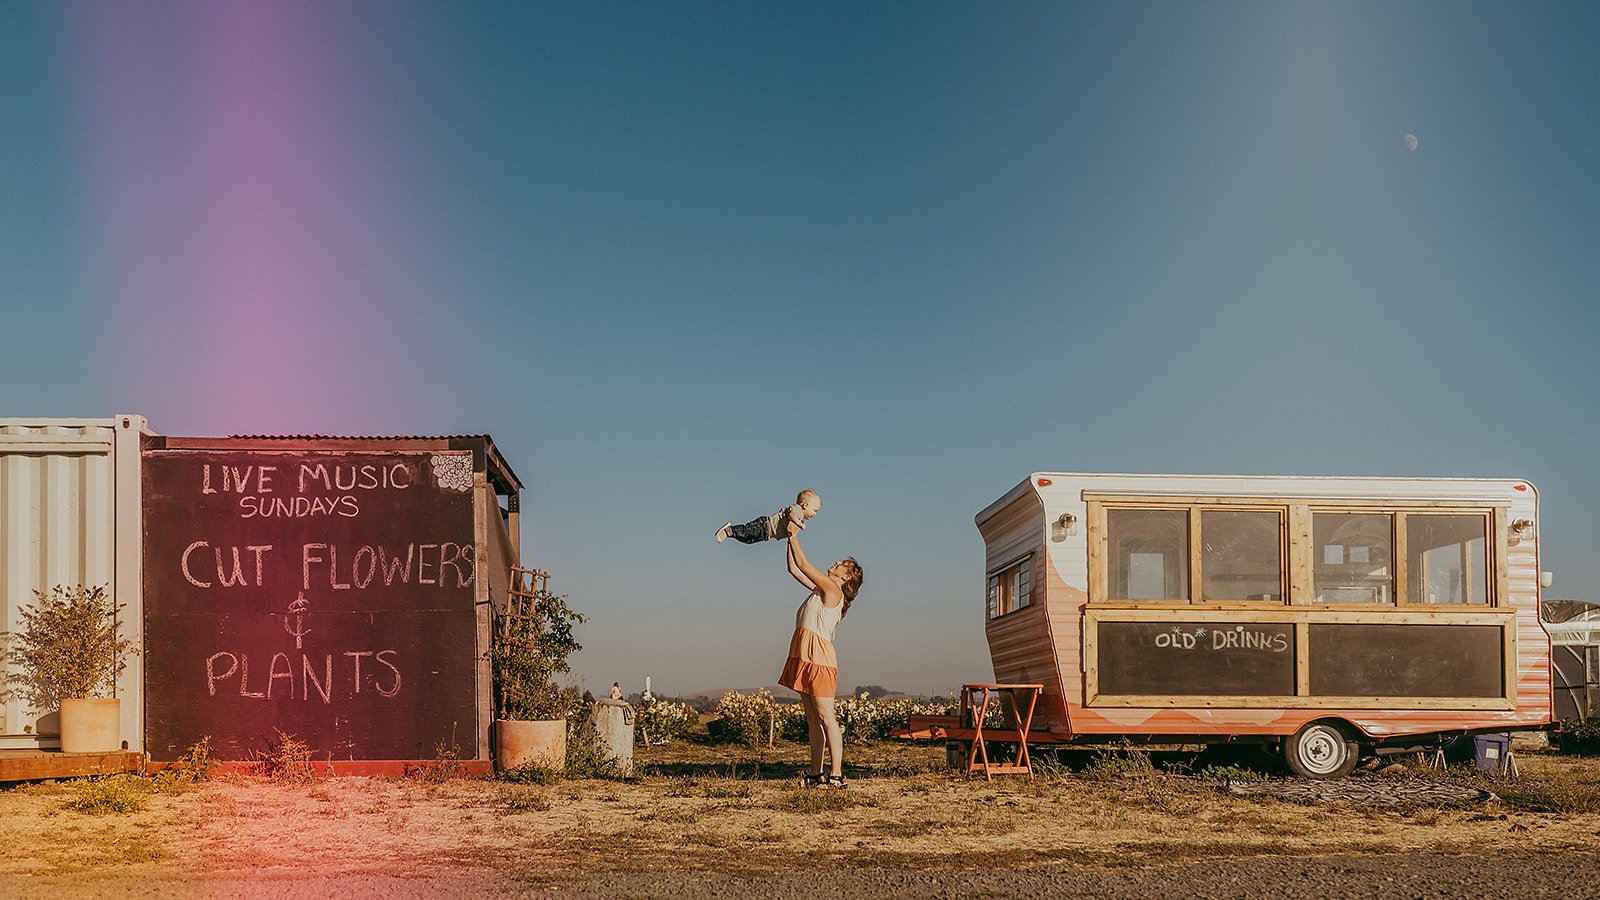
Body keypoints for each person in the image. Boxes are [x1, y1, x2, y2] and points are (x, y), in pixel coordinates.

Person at [776, 523, 863, 788]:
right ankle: (816, 774)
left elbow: (803, 563)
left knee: (826, 717)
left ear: (846, 578)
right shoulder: (821, 589)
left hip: (820, 659)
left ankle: (836, 775)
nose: (836, 562)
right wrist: (786, 536)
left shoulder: (833, 590)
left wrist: (793, 533)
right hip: (804, 655)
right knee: (813, 719)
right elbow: (793, 567)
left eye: (842, 564)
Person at [715, 489, 821, 545]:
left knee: (748, 540)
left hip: (767, 534)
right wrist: (798, 523)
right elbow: (791, 513)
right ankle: (728, 531)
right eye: (815, 510)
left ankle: (730, 533)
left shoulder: (800, 517)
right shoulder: (798, 511)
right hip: (765, 525)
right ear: (806, 505)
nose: (815, 514)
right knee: (747, 531)